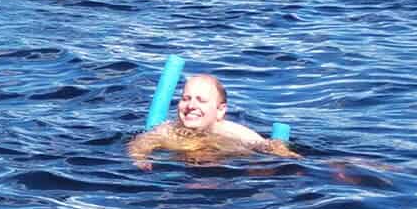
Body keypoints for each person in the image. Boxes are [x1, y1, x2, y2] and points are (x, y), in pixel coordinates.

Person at [128, 73, 298, 169]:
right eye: (186, 98)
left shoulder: (232, 133)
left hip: (225, 172)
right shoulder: (168, 129)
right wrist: (140, 159)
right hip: (179, 174)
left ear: (220, 110)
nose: (191, 105)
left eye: (201, 101)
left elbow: (273, 149)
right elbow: (140, 144)